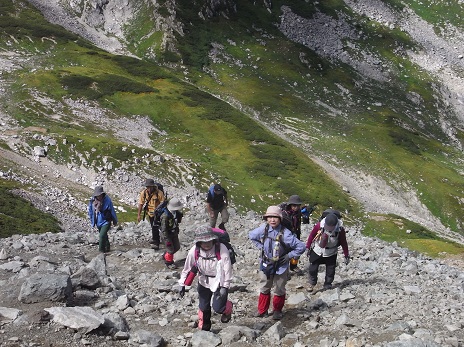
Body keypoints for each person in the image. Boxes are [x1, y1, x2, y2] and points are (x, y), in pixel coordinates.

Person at [249, 205, 305, 320]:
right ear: (266, 218)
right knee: (265, 286)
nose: (272, 220)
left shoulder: (286, 233)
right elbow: (251, 236)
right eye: (269, 217)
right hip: (266, 263)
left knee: (279, 288)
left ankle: (277, 311)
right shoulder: (263, 229)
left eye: (275, 217)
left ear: (280, 219)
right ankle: (262, 310)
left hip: (281, 266)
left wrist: (289, 256)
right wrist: (261, 247)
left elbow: (301, 247)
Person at [178, 225, 233, 331]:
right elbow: (187, 268)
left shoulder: (221, 248)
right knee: (203, 307)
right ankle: (205, 327)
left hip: (218, 282)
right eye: (203, 242)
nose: (206, 244)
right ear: (199, 242)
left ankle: (227, 308)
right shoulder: (194, 251)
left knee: (218, 308)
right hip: (203, 281)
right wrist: (182, 284)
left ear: (213, 240)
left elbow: (227, 269)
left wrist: (225, 287)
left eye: (209, 241)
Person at [305, 212, 349, 292]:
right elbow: (312, 236)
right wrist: (308, 247)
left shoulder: (340, 230)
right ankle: (311, 283)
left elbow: (343, 242)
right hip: (317, 250)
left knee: (330, 270)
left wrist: (346, 254)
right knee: (313, 268)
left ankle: (328, 284)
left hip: (331, 252)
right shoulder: (319, 225)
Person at [88, 185, 118, 253]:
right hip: (98, 222)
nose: (99, 196)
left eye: (100, 195)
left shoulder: (107, 200)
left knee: (101, 236)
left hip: (106, 221)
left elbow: (112, 210)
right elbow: (91, 212)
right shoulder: (92, 201)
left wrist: (115, 220)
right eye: (97, 195)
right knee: (104, 235)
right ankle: (107, 247)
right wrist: (92, 221)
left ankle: (101, 251)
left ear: (102, 194)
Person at [137, 179, 165, 249]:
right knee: (153, 226)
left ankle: (156, 242)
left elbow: (163, 203)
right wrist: (139, 215)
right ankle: (156, 239)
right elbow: (141, 203)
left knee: (155, 226)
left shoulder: (159, 193)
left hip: (158, 213)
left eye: (150, 187)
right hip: (150, 213)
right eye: (147, 187)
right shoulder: (143, 193)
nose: (148, 189)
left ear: (153, 186)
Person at [281, 194, 304, 272]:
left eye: (298, 205)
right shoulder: (284, 214)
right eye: (294, 205)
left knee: (296, 251)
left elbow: (298, 222)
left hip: (295, 232)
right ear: (290, 205)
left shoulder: (298, 212)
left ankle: (293, 266)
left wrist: (298, 232)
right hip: (286, 235)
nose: (296, 207)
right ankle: (285, 270)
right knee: (285, 252)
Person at [160, 197, 183, 269]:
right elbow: (164, 229)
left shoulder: (176, 213)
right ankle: (169, 262)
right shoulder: (165, 216)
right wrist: (166, 239)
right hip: (167, 234)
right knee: (170, 249)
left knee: (177, 247)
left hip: (174, 232)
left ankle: (165, 256)